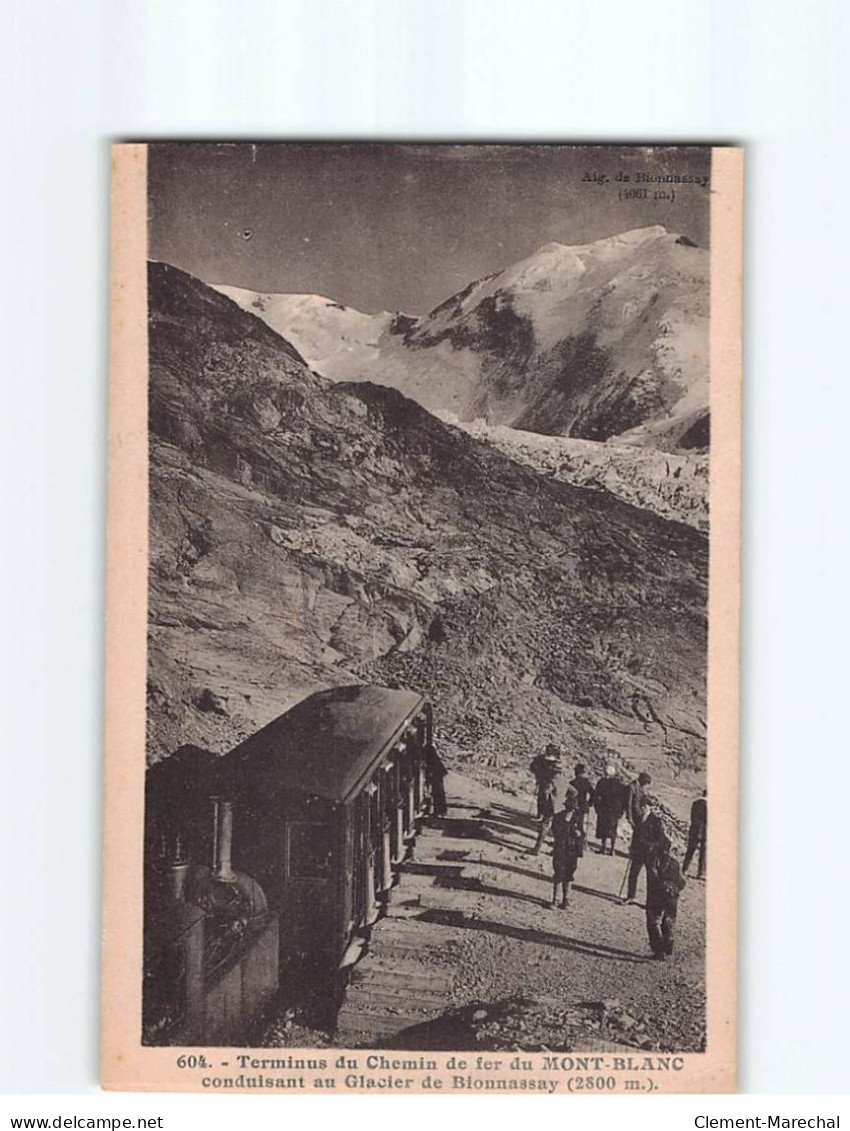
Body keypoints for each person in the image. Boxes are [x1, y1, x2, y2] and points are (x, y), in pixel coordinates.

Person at [644, 833, 686, 960]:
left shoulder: (652, 861)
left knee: (653, 921)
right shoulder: (675, 863)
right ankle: (669, 949)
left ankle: (658, 951)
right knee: (669, 921)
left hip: (656, 895)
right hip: (672, 897)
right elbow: (682, 882)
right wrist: (674, 889)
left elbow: (652, 878)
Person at [622, 771, 660, 904]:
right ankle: (631, 895)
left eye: (646, 807)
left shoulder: (653, 821)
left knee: (651, 876)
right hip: (641, 850)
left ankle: (651, 901)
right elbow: (628, 804)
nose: (644, 809)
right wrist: (632, 848)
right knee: (634, 872)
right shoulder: (639, 823)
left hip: (648, 851)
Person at [550, 787, 585, 908]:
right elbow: (555, 831)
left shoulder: (577, 818)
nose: (572, 811)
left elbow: (582, 833)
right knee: (558, 873)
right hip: (560, 848)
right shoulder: (559, 817)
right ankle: (556, 899)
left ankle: (566, 899)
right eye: (570, 808)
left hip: (572, 850)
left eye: (573, 809)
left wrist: (579, 835)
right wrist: (565, 826)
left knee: (569, 875)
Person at [529, 744, 566, 854]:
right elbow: (573, 792)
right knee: (557, 828)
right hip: (561, 806)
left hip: (551, 803)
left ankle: (537, 848)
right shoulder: (563, 780)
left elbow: (545, 793)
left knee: (545, 825)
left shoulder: (548, 779)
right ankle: (555, 850)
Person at [593, 764, 626, 854]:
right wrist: (621, 811)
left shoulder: (602, 782)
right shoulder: (618, 784)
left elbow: (596, 796)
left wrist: (597, 807)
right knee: (612, 830)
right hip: (613, 811)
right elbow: (623, 799)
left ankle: (603, 848)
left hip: (604, 810)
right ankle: (612, 849)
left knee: (604, 829)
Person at [682, 790, 707, 879]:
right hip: (704, 832)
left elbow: (692, 817)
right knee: (703, 853)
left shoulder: (695, 803)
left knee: (690, 850)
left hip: (694, 830)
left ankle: (684, 869)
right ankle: (701, 873)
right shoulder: (708, 806)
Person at [423, 742, 448, 817]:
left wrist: (430, 775)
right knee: (438, 793)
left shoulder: (429, 754)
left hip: (436, 774)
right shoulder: (430, 752)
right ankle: (440, 810)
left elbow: (431, 768)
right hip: (437, 773)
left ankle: (440, 811)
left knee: (438, 793)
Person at [570, 762, 595, 836]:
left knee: (571, 822)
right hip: (583, 805)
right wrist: (590, 803)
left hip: (573, 805)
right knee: (580, 823)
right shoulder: (586, 783)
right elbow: (593, 794)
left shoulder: (572, 782)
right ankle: (580, 840)